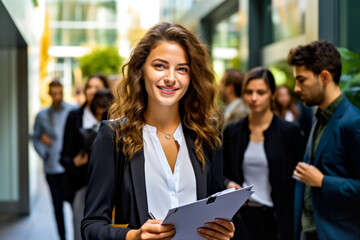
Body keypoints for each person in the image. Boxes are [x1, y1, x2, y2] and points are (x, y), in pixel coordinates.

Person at [81, 22, 235, 240]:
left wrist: (223, 229)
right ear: (141, 70)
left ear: (192, 78)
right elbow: (91, 226)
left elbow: (215, 209)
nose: (171, 77)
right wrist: (134, 236)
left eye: (182, 69)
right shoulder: (113, 136)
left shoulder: (207, 135)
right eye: (160, 66)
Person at [288, 40, 360, 240]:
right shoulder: (319, 117)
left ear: (325, 77)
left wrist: (323, 181)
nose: (296, 88)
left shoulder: (353, 122)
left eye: (301, 80)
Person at [223, 67, 305, 240]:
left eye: (261, 92)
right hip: (242, 218)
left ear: (273, 94)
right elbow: (221, 172)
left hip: (277, 220)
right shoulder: (233, 131)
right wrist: (229, 183)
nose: (254, 98)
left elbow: (298, 181)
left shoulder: (289, 132)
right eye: (249, 92)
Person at [60, 73, 109, 240]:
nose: (93, 91)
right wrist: (75, 161)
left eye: (98, 87)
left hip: (109, 188)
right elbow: (64, 157)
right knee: (80, 231)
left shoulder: (115, 116)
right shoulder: (74, 117)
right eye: (90, 87)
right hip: (82, 185)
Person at [33, 79, 74, 240]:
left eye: (59, 93)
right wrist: (45, 152)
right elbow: (36, 138)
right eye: (54, 93)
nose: (57, 96)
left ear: (63, 92)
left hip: (69, 169)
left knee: (74, 205)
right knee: (57, 206)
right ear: (49, 93)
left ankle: (77, 235)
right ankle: (62, 237)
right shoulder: (41, 116)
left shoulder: (72, 111)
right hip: (51, 168)